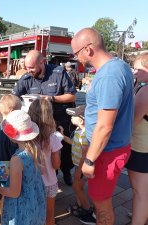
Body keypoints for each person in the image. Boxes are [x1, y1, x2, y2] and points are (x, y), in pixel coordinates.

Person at [0, 50, 77, 186]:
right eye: (27, 67)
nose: (28, 71)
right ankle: (49, 178)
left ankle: (65, 172)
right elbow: (11, 99)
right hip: (36, 124)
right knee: (47, 153)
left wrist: (51, 98)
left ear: (42, 62)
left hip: (58, 122)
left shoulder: (58, 73)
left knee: (63, 152)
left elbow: (72, 96)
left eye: (31, 67)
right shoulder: (26, 78)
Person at [71, 28, 134, 225]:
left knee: (102, 205)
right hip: (104, 148)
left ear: (88, 49)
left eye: (76, 53)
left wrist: (89, 161)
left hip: (105, 152)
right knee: (94, 195)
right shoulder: (117, 67)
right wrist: (88, 107)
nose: (76, 58)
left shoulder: (108, 76)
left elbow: (105, 126)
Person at [0, 110, 46, 225]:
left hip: (21, 207)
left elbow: (14, 193)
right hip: (35, 200)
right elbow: (42, 171)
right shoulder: (36, 148)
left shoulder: (16, 159)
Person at [28, 98, 62, 225]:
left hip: (32, 182)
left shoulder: (27, 139)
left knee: (34, 212)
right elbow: (56, 165)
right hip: (49, 183)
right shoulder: (53, 138)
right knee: (49, 214)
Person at [60, 105, 96, 224]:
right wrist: (63, 136)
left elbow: (84, 155)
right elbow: (73, 142)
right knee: (78, 187)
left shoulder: (84, 134)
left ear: (81, 120)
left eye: (73, 116)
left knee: (77, 186)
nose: (71, 118)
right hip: (78, 165)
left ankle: (86, 210)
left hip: (81, 167)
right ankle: (80, 204)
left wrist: (78, 172)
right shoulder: (79, 130)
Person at [125, 52, 148, 225]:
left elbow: (131, 122)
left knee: (140, 192)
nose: (134, 72)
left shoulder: (145, 90)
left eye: (138, 69)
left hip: (141, 148)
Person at [0, 94, 22, 213]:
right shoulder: (10, 128)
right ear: (12, 111)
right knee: (9, 193)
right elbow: (14, 150)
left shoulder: (1, 124)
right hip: (9, 166)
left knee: (3, 193)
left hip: (0, 164)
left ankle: (3, 216)